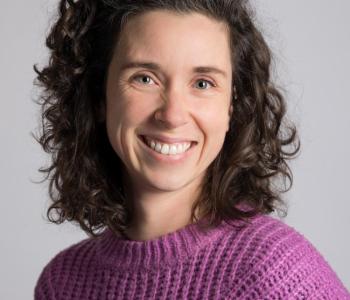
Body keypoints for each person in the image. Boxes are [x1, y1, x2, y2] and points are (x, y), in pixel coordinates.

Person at [33, 0, 350, 299]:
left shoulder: (273, 270)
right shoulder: (62, 282)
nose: (172, 115)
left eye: (203, 83)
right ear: (99, 95)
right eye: (145, 78)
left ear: (231, 107)